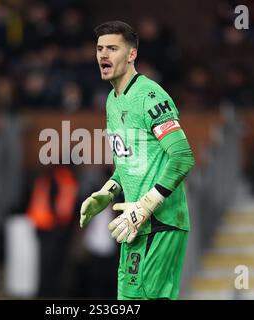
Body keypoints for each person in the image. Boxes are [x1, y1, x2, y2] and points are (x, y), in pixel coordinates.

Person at [79, 21, 195, 300]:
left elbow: (182, 156)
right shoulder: (112, 100)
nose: (103, 55)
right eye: (99, 49)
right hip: (134, 221)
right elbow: (127, 164)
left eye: (112, 48)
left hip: (161, 221)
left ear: (131, 55)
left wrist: (147, 204)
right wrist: (107, 192)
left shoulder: (150, 96)